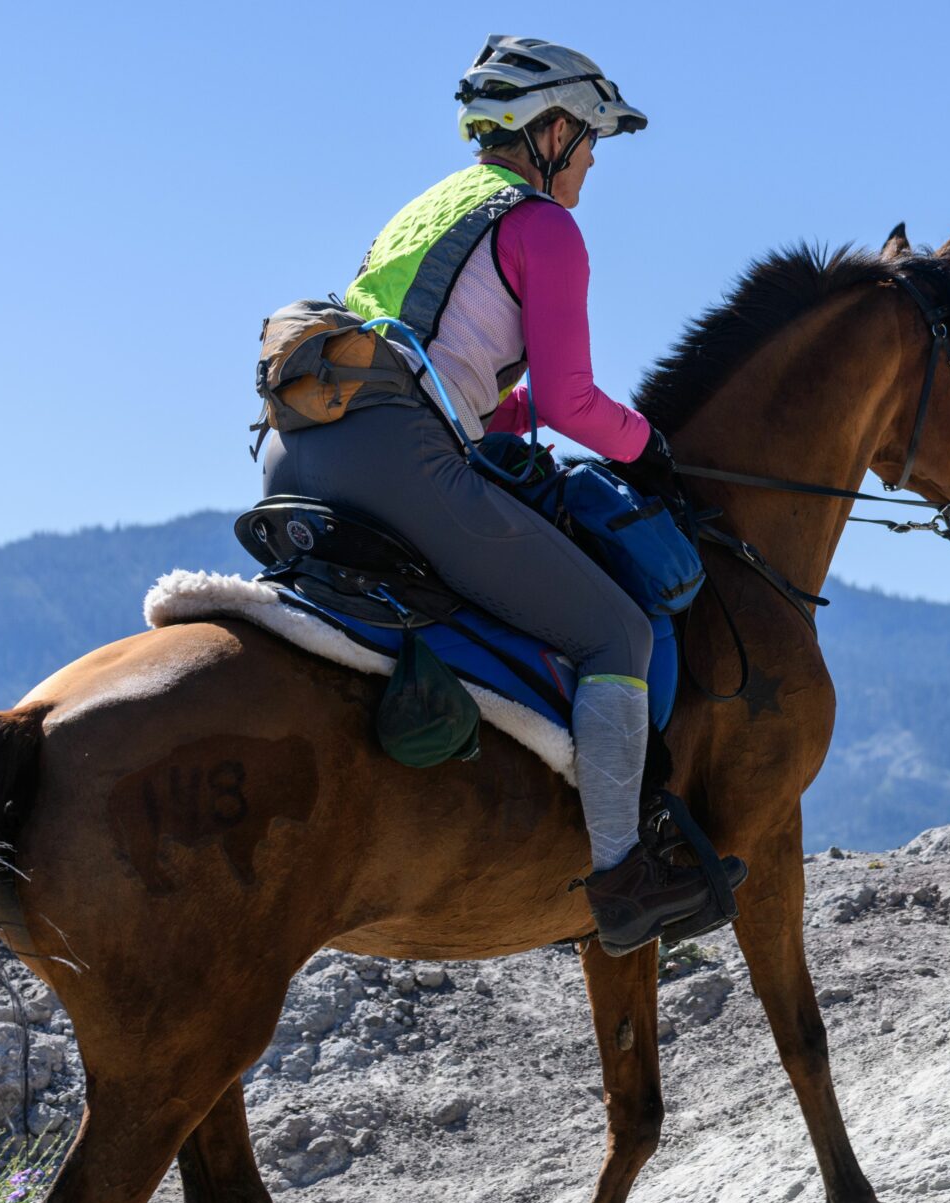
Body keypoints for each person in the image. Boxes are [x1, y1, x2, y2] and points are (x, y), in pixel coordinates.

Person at [260, 35, 737, 955]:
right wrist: (653, 448)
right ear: (550, 129)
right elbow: (570, 403)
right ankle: (626, 875)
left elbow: (475, 388)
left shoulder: (427, 212)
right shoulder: (544, 225)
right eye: (592, 135)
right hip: (396, 457)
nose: (595, 157)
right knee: (616, 633)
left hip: (293, 457)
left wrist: (508, 418)